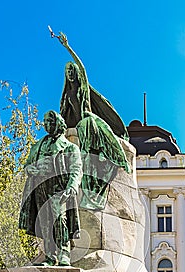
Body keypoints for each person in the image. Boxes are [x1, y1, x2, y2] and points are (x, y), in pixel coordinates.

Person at [50, 29, 130, 210]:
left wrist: (67, 47)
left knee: (106, 136)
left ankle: (114, 156)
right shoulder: (67, 94)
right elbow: (64, 117)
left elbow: (83, 68)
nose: (70, 72)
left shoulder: (82, 88)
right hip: (78, 128)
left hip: (89, 121)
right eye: (67, 70)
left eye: (72, 69)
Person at [19, 110, 82, 266]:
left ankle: (64, 254)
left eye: (50, 122)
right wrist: (29, 170)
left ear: (58, 124)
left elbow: (76, 169)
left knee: (59, 220)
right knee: (45, 222)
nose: (47, 125)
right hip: (39, 187)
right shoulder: (37, 146)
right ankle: (49, 256)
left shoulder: (69, 147)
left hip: (58, 188)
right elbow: (27, 165)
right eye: (45, 122)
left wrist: (72, 186)